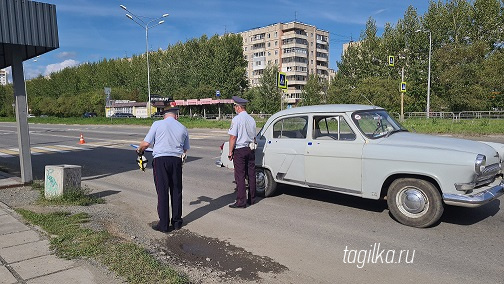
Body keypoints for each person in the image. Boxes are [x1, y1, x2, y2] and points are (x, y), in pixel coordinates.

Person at [137, 107, 190, 232]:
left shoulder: (157, 124)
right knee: (176, 191)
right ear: (176, 116)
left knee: (162, 191)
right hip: (176, 160)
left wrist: (139, 150)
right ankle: (177, 222)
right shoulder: (183, 128)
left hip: (161, 160)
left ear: (164, 116)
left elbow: (146, 143)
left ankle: (164, 225)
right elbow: (185, 148)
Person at [228, 96, 256, 208]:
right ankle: (252, 198)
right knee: (251, 174)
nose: (234, 108)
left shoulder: (236, 119)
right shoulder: (252, 119)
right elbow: (254, 137)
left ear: (238, 107)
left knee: (240, 176)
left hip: (240, 150)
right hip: (250, 149)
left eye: (235, 106)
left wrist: (230, 152)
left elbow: (233, 137)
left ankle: (241, 201)